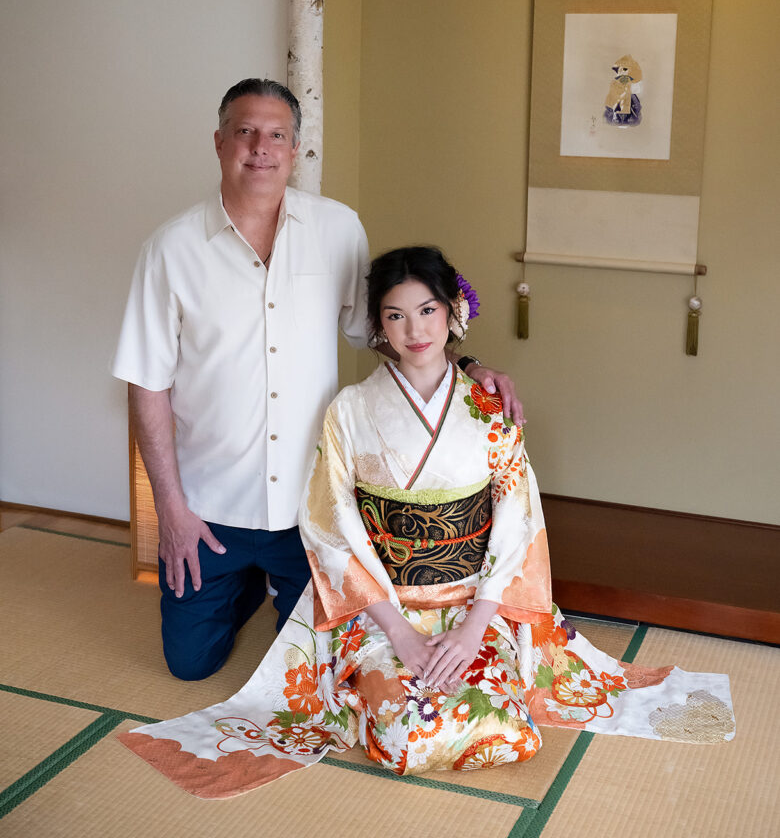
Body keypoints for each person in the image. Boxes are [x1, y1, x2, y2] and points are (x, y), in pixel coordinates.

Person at [119, 247, 734, 798]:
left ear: (452, 315)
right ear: (378, 328)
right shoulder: (351, 411)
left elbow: (517, 521)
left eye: (428, 311)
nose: (414, 330)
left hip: (475, 606)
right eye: (395, 315)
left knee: (505, 730)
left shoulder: (489, 408)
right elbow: (333, 527)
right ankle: (382, 666)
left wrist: (471, 631)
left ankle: (472, 661)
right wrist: (402, 633)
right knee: (404, 737)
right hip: (384, 608)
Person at [111, 81, 523, 681]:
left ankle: (273, 583)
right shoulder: (170, 250)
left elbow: (382, 331)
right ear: (220, 141)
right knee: (189, 665)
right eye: (245, 132)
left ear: (296, 147)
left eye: (277, 134)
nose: (261, 147)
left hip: (311, 506)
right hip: (210, 508)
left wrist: (467, 367)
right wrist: (171, 511)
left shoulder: (337, 229)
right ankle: (242, 584)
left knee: (313, 673)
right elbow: (146, 383)